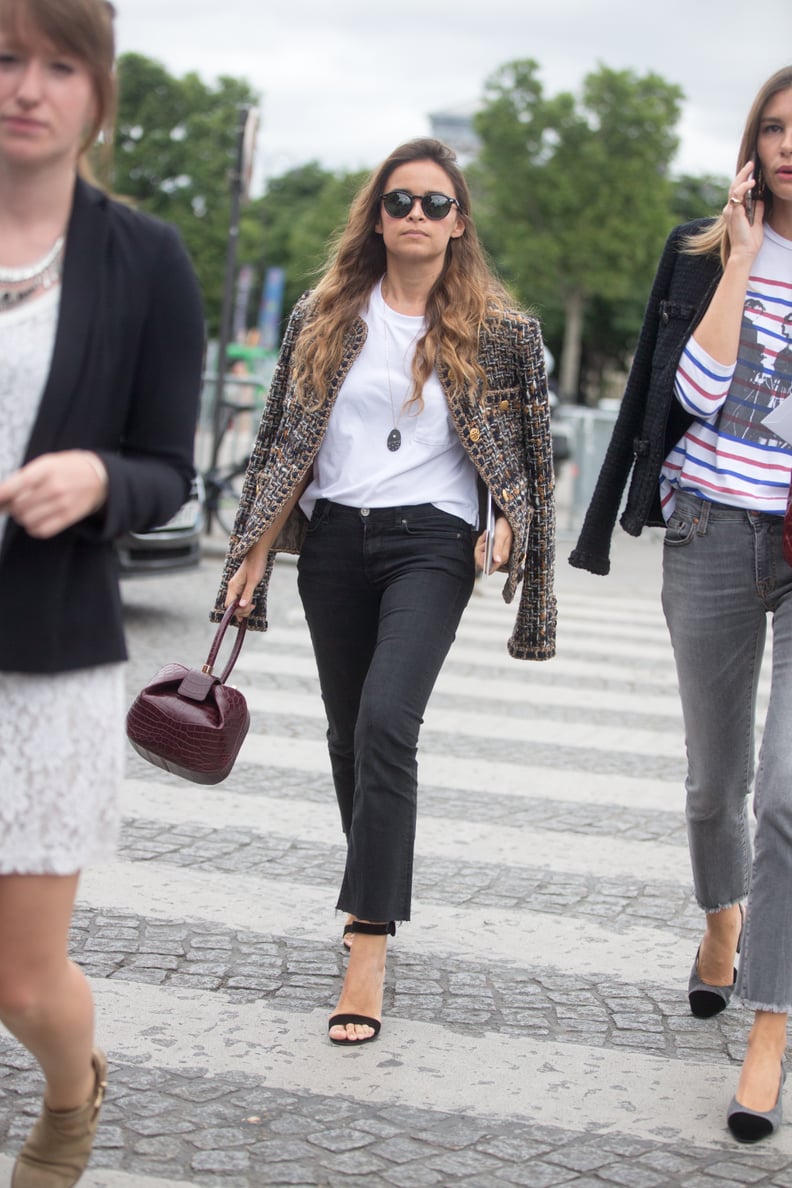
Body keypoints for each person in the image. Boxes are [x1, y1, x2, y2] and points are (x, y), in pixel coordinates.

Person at [214, 137, 556, 1046]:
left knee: (385, 723)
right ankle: (371, 892)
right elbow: (288, 442)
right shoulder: (324, 315)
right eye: (399, 200)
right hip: (333, 543)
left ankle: (368, 940)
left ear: (459, 221)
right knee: (343, 733)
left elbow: (523, 459)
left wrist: (511, 521)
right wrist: (252, 555)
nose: (416, 215)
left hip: (432, 544)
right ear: (377, 215)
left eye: (434, 203)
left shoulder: (503, 332)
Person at [0, 0, 205, 1182]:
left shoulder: (144, 260)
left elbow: (169, 471)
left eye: (60, 66)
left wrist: (95, 478)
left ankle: (71, 1088)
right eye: (9, 58)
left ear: (97, 95)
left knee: (20, 978)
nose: (29, 87)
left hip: (46, 654)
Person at [570, 66, 792, 1143]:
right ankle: (721, 924)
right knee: (718, 783)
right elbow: (693, 397)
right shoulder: (700, 254)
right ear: (751, 145)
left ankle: (769, 1023)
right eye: (777, 129)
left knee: (786, 797)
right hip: (710, 527)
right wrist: (743, 263)